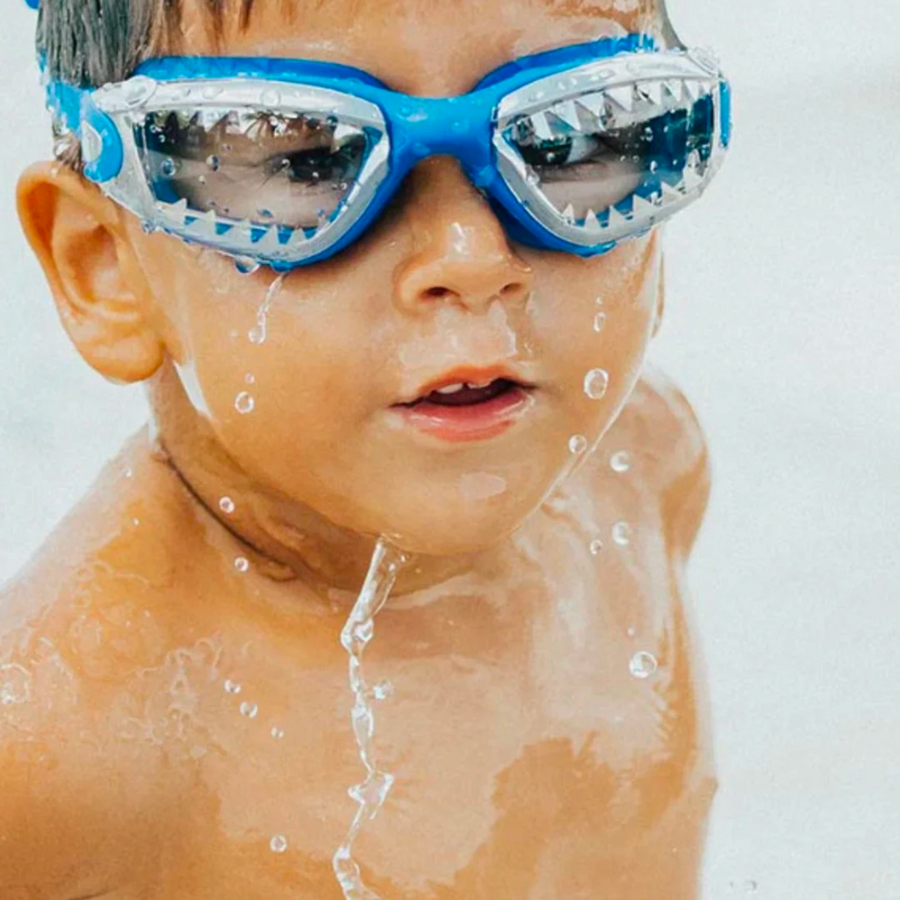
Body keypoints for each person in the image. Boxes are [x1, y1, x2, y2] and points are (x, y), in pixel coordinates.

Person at [0, 0, 729, 897]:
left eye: (573, 138)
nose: (471, 257)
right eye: (304, 158)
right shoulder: (61, 749)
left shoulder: (649, 468)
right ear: (103, 267)